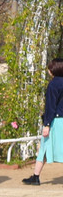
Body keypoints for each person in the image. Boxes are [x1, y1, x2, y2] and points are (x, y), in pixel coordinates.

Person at [21, 58, 63, 186]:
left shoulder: (53, 84)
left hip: (56, 120)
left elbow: (50, 106)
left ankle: (36, 176)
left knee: (44, 147)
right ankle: (35, 176)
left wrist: (47, 124)